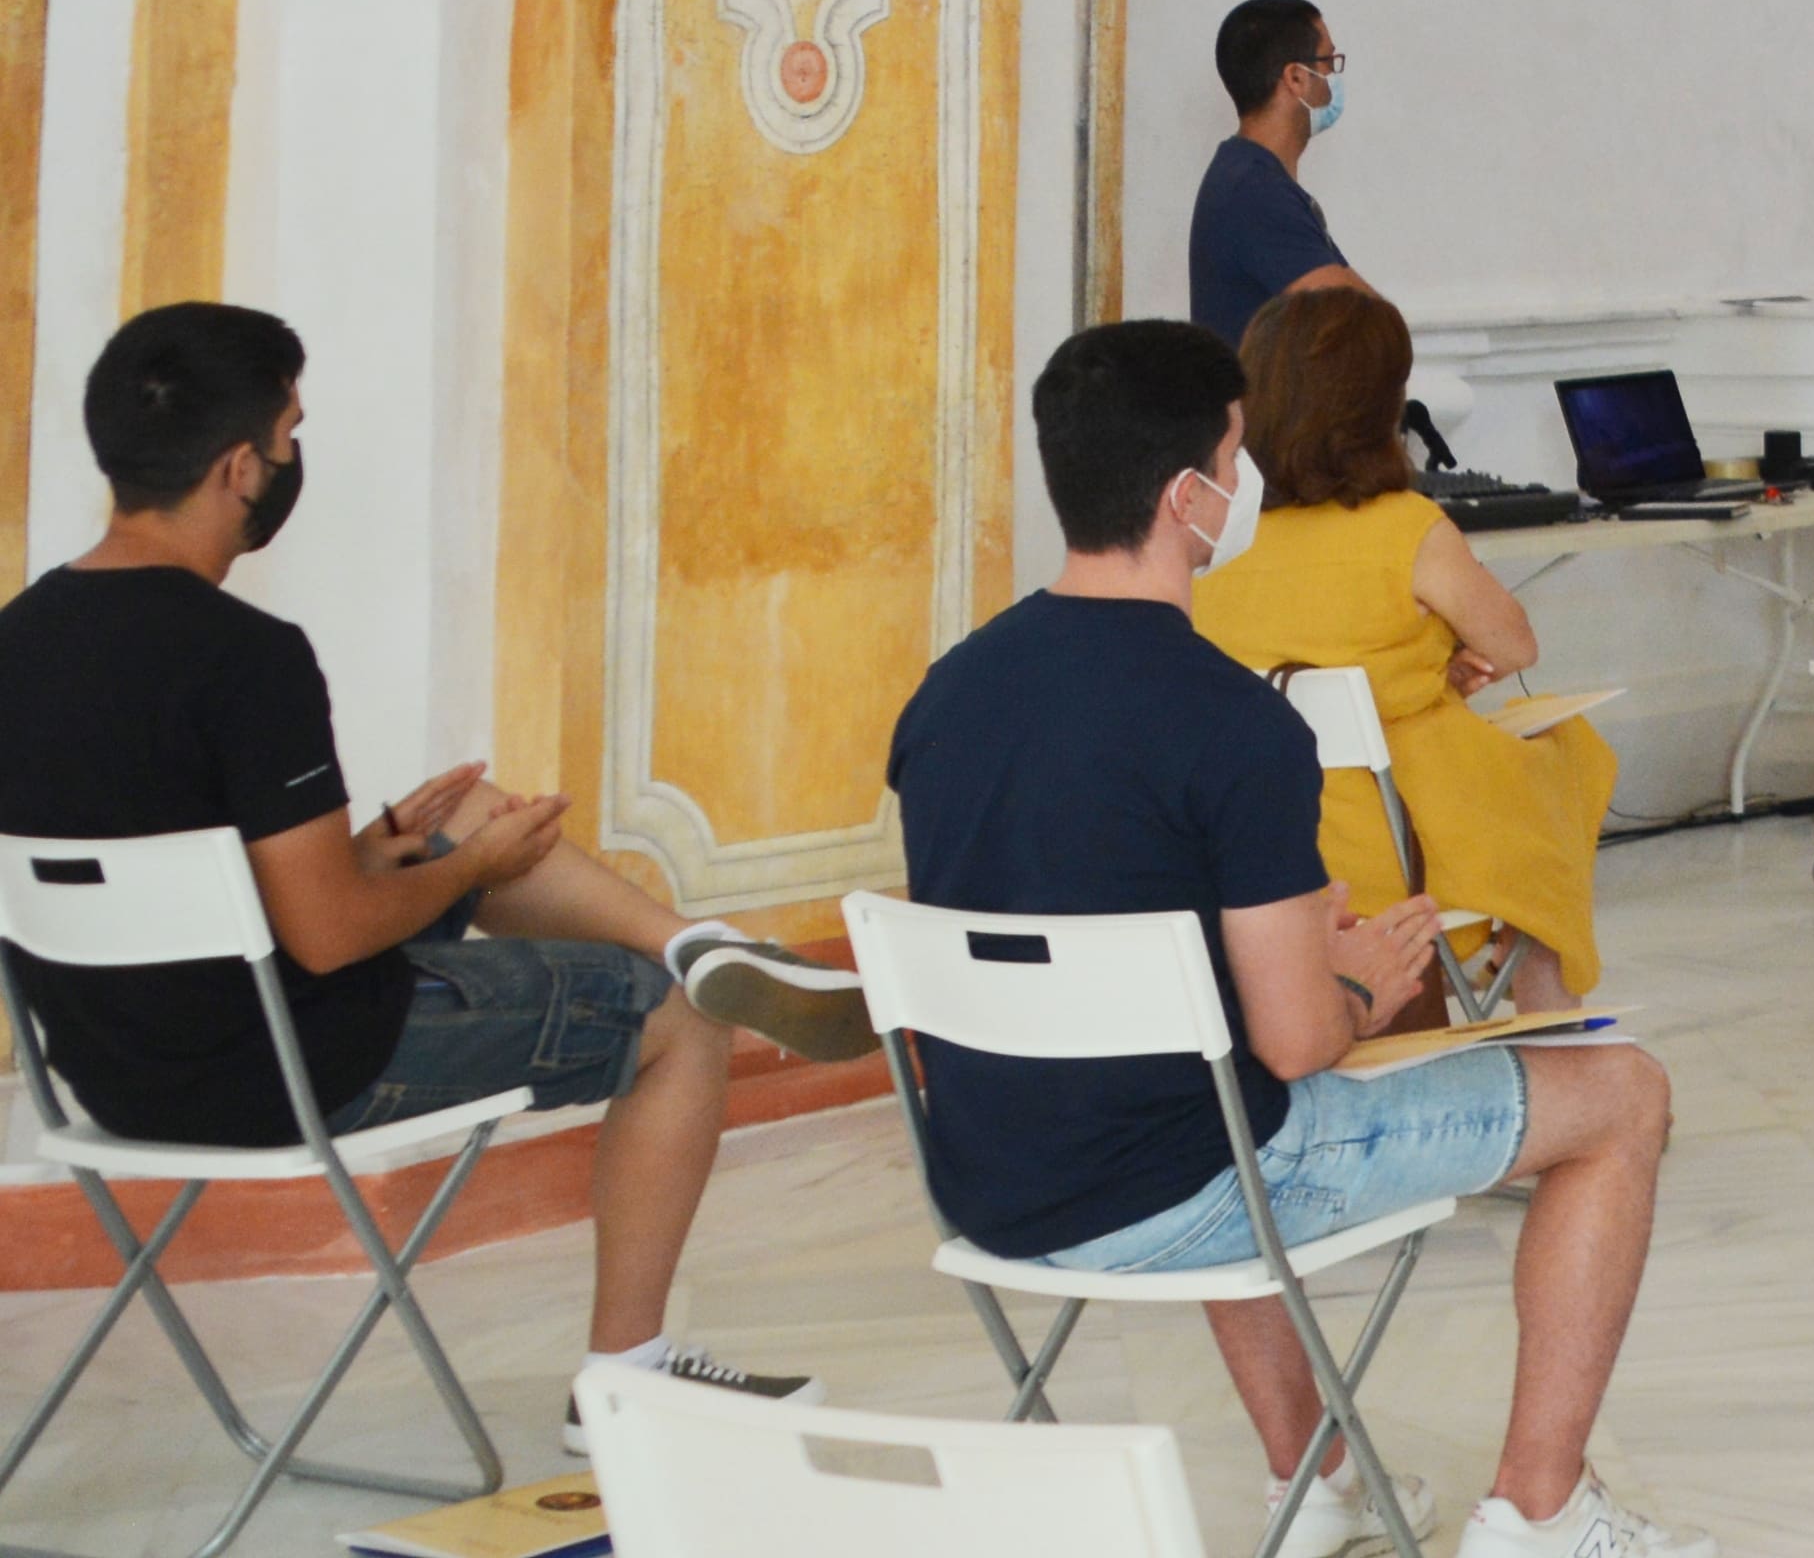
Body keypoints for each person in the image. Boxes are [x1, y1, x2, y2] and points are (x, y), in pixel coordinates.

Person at [890, 320, 1698, 1558]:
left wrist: (1269, 935)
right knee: (1625, 1096)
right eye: (1236, 452)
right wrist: (1362, 982)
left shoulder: (950, 689)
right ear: (1189, 496)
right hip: (1184, 1185)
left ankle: (1316, 1476)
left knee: (1187, 1076)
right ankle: (1540, 1507)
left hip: (990, 1178)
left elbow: (1062, 907)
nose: (1249, 478)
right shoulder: (1232, 721)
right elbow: (1302, 1045)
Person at [0, 305, 871, 1452]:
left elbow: (173, 873)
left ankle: (686, 935)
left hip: (117, 1076)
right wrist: (466, 871)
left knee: (458, 813)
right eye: (290, 433)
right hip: (292, 1067)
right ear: (238, 465)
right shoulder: (245, 657)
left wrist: (394, 850)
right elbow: (326, 937)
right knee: (672, 1021)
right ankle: (628, 1374)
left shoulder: (21, 637)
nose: (295, 460)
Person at [1191, 286, 1619, 1008]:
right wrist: (1440, 670)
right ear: (1379, 408)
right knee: (1565, 749)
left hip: (1271, 847)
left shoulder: (1220, 539)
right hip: (1409, 849)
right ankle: (1543, 988)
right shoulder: (1406, 526)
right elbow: (1514, 646)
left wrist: (1424, 668)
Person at [1189, 0, 1362, 340]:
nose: (1333, 77)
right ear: (1296, 77)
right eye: (1329, 62)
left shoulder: (1252, 176)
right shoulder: (1254, 191)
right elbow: (1363, 323)